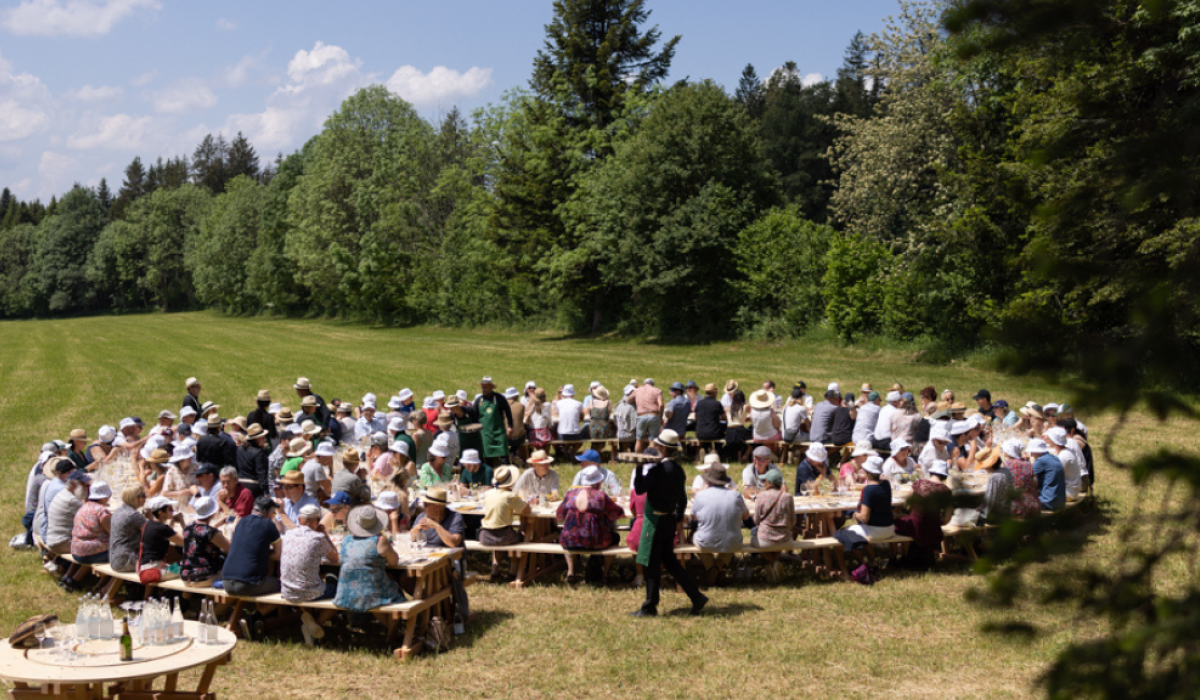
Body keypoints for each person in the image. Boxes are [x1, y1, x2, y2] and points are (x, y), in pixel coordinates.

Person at [632, 430, 707, 617]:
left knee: (651, 563)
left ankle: (650, 606)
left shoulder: (658, 470)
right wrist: (677, 518)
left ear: (662, 448)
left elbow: (640, 489)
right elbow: (682, 499)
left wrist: (640, 467)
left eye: (657, 446)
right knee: (671, 563)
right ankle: (696, 596)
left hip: (655, 521)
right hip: (669, 520)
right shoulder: (679, 470)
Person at [557, 466, 624, 583]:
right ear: (598, 482)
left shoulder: (570, 494)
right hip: (595, 541)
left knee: (566, 534)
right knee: (616, 537)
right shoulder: (601, 496)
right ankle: (605, 573)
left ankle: (571, 572)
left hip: (570, 540)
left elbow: (559, 516)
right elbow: (618, 513)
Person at [334, 506, 404, 612]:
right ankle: (392, 629)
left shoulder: (347, 540)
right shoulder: (380, 541)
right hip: (372, 596)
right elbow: (394, 562)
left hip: (345, 595)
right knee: (396, 591)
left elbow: (344, 560)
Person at [690, 467, 749, 581]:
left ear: (709, 481)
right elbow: (746, 517)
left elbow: (694, 518)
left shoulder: (700, 496)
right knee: (732, 541)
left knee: (692, 539)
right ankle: (718, 567)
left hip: (705, 541)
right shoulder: (736, 495)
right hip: (732, 541)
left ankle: (711, 567)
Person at [894, 459, 953, 568]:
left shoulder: (918, 483)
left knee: (894, 522)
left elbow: (908, 506)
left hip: (915, 527)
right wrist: (934, 521)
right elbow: (947, 519)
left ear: (931, 472)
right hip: (933, 530)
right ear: (945, 476)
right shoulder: (946, 491)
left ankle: (893, 558)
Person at [223, 496, 283, 596]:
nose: (273, 515)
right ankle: (264, 612)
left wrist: (258, 552)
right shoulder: (268, 524)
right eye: (273, 512)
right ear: (266, 512)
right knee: (283, 585)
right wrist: (260, 553)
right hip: (247, 584)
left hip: (226, 582)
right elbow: (278, 555)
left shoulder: (241, 521)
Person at [833, 456, 895, 553]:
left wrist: (854, 514)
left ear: (866, 472)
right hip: (890, 528)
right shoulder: (886, 484)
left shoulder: (868, 490)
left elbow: (864, 517)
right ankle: (870, 560)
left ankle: (867, 562)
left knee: (840, 533)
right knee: (855, 534)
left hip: (876, 531)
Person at [282, 504, 340, 605]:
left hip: (287, 592)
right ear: (318, 521)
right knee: (337, 587)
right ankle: (318, 620)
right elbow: (335, 558)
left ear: (299, 519)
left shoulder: (288, 534)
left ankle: (308, 616)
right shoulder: (318, 537)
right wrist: (324, 534)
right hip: (309, 594)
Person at [65, 481, 112, 588]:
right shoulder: (102, 512)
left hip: (76, 549)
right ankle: (103, 587)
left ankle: (74, 579)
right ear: (104, 497)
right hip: (90, 553)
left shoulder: (84, 507)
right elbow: (113, 533)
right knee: (121, 554)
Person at [750, 468, 795, 581]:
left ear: (770, 483)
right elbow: (793, 521)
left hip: (765, 540)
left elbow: (756, 521)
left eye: (764, 481)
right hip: (785, 540)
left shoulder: (761, 496)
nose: (763, 483)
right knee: (777, 543)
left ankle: (771, 563)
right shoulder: (788, 497)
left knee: (754, 542)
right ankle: (775, 564)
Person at [180, 497, 229, 586]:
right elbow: (230, 548)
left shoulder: (187, 528)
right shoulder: (211, 532)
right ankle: (215, 599)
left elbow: (200, 535)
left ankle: (186, 599)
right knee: (231, 573)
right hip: (204, 577)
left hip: (186, 575)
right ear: (212, 513)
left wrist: (216, 526)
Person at [139, 497, 185, 579]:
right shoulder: (162, 529)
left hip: (144, 567)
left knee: (175, 562)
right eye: (170, 509)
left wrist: (172, 522)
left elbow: (166, 535)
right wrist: (182, 522)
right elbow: (186, 542)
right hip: (155, 570)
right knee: (186, 567)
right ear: (161, 512)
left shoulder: (149, 524)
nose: (172, 511)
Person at [473, 376, 513, 466]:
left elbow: (508, 412)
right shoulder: (479, 401)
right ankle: (489, 477)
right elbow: (474, 416)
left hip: (499, 433)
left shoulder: (499, 398)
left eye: (486, 387)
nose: (483, 389)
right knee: (487, 458)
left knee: (504, 457)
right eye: (482, 387)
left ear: (491, 387)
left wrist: (510, 426)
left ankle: (507, 476)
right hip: (486, 434)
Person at [107, 485, 147, 573]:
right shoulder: (134, 515)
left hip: (114, 558)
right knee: (161, 551)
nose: (145, 498)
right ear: (134, 498)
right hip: (126, 561)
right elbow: (154, 532)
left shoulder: (117, 511)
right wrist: (152, 517)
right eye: (143, 495)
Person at [1000, 439, 1042, 519]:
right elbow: (1035, 483)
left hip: (1017, 509)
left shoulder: (1006, 465)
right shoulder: (1028, 464)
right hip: (1033, 506)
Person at [976, 446, 1013, 523]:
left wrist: (981, 515)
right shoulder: (1006, 471)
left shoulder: (994, 477)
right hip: (1007, 512)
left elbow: (990, 499)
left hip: (997, 517)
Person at [1029, 438, 1066, 511]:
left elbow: (1029, 480)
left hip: (1047, 503)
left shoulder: (1040, 461)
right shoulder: (1055, 458)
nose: (1030, 453)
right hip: (1061, 501)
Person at [1045, 426, 1081, 500]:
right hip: (1072, 490)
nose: (1048, 440)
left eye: (1049, 438)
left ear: (1054, 441)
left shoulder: (1063, 456)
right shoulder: (1065, 451)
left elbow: (1053, 476)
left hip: (1069, 493)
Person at [236, 424, 270, 496]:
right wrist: (266, 492)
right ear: (257, 438)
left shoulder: (239, 449)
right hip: (254, 487)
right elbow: (261, 473)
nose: (264, 438)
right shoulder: (259, 452)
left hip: (240, 485)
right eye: (262, 437)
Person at [632, 378, 664, 453]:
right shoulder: (657, 391)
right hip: (653, 415)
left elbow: (629, 399)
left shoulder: (637, 390)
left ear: (644, 384)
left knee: (639, 440)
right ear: (652, 385)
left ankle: (637, 461)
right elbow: (661, 405)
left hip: (641, 416)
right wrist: (660, 417)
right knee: (652, 439)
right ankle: (651, 461)